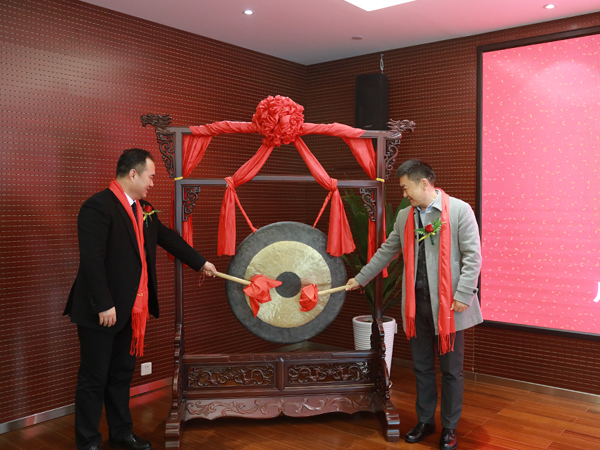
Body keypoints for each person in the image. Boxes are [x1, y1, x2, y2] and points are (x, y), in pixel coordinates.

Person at [64, 148, 218, 450]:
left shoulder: (144, 209)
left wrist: (200, 262)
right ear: (133, 174)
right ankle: (88, 441)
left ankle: (121, 433)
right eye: (150, 176)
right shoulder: (97, 206)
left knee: (121, 375)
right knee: (94, 378)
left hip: (132, 310)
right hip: (101, 310)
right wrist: (104, 304)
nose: (152, 183)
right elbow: (91, 261)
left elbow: (168, 238)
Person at [346, 159, 482, 450]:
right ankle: (425, 421)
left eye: (406, 188)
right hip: (415, 304)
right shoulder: (405, 216)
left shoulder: (459, 210)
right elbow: (387, 250)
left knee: (451, 370)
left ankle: (449, 427)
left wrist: (463, 295)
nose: (404, 194)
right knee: (421, 367)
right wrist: (361, 278)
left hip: (449, 306)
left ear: (424, 183)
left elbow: (473, 257)